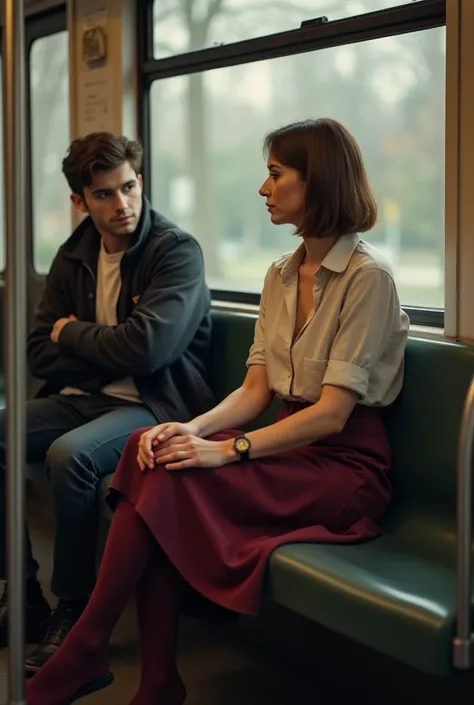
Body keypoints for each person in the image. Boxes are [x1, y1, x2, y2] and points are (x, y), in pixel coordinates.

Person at [25, 118, 409, 705]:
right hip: (290, 439)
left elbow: (333, 414)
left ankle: (102, 654)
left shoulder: (369, 278)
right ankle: (147, 673)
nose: (263, 189)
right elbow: (256, 391)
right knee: (151, 452)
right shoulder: (281, 275)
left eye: (275, 175)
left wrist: (227, 449)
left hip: (346, 466)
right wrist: (189, 427)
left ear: (319, 183)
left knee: (170, 480)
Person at [0, 132, 213, 674]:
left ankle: (73, 609)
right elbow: (35, 354)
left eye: (129, 187)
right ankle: (21, 593)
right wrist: (106, 345)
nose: (121, 205)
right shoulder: (74, 257)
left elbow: (149, 350)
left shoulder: (175, 250)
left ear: (140, 181)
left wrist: (72, 333)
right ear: (80, 200)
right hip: (83, 399)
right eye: (104, 194)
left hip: (157, 405)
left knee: (69, 457)